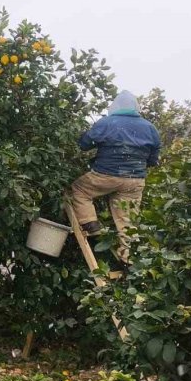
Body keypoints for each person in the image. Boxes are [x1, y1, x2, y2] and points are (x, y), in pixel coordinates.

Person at [68, 91, 161, 267]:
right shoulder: (150, 127)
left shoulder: (107, 122)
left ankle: (90, 223)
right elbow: (153, 160)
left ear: (115, 106)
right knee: (127, 222)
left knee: (80, 189)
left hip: (106, 175)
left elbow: (84, 144)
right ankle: (128, 262)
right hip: (135, 180)